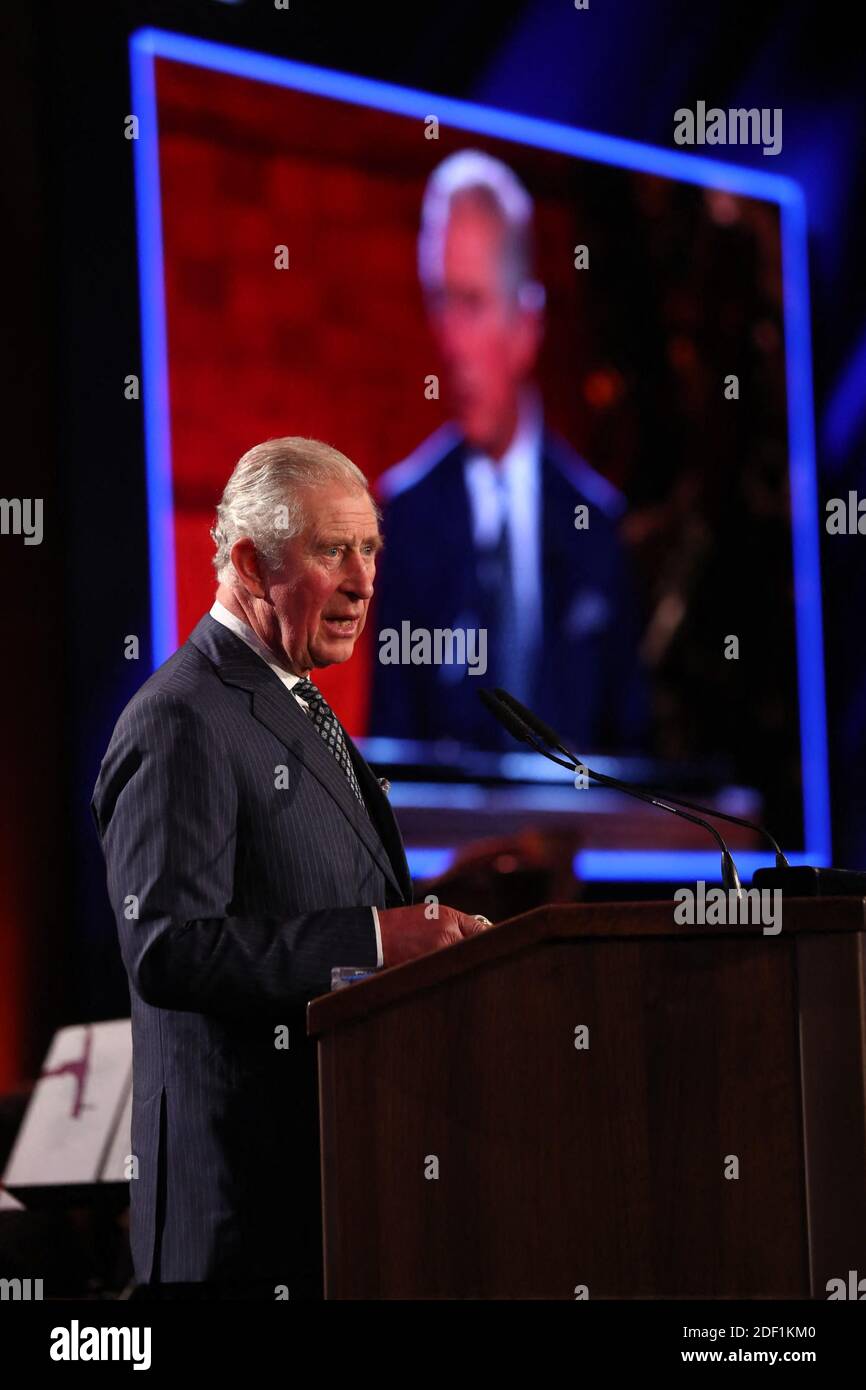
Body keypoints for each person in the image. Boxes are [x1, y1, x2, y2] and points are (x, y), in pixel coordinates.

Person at [91, 437, 488, 1300]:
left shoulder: (297, 703)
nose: (363, 580)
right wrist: (377, 942)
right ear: (246, 561)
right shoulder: (183, 719)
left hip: (343, 1194)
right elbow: (168, 948)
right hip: (243, 1217)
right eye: (330, 550)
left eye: (370, 548)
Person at [370, 149, 648, 751]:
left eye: (470, 303)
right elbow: (388, 781)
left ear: (527, 325)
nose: (449, 341)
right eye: (437, 302)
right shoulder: (406, 517)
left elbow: (634, 769)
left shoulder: (597, 529)